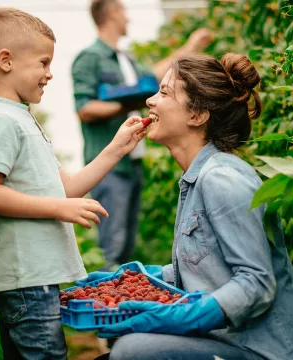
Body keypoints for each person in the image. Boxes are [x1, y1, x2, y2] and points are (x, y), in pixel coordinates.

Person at [83, 54, 293, 360]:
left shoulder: (221, 179)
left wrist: (182, 317)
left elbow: (256, 284)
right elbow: (208, 267)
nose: (150, 101)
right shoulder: (197, 177)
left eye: (164, 93)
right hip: (233, 344)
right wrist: (135, 280)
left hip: (269, 352)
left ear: (197, 115)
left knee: (132, 351)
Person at [0, 8, 148, 360]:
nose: (50, 74)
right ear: (6, 61)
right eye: (43, 62)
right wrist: (58, 209)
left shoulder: (21, 118)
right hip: (25, 278)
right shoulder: (3, 120)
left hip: (32, 276)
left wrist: (116, 148)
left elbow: (66, 189)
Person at [72, 0, 213, 271]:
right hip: (110, 166)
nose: (128, 19)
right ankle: (104, 307)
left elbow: (157, 76)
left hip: (132, 162)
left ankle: (121, 306)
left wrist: (192, 46)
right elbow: (85, 108)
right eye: (124, 12)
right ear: (112, 13)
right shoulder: (90, 58)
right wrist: (125, 104)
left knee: (125, 246)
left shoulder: (126, 60)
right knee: (111, 247)